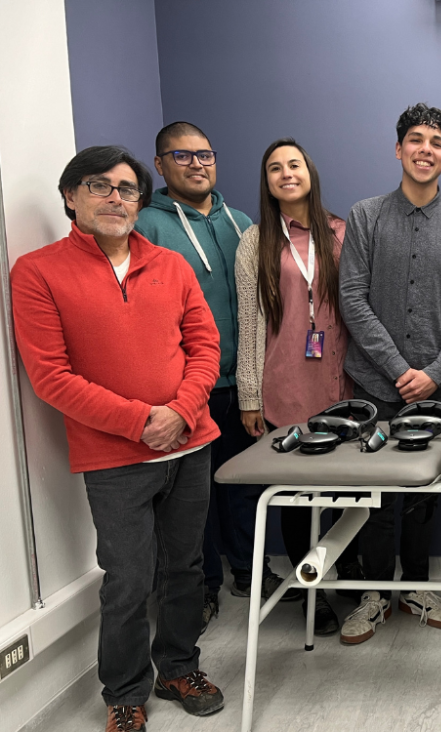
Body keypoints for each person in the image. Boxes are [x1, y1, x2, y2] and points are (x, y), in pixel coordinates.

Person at [11, 146, 225, 732]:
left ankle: (179, 668)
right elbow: (51, 377)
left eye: (128, 189)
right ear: (70, 197)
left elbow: (205, 348)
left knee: (184, 568)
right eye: (100, 186)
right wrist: (140, 422)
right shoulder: (37, 272)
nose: (116, 198)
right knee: (128, 577)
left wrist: (180, 411)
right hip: (114, 456)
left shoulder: (171, 265)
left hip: (189, 443)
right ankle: (124, 692)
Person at [339, 103, 441, 645]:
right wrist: (401, 370)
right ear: (398, 149)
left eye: (438, 144)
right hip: (375, 386)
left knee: (426, 495)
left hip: (439, 390)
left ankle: (418, 588)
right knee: (378, 497)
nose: (427, 150)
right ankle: (375, 594)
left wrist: (435, 372)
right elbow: (352, 299)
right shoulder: (365, 216)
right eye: (417, 140)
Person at [135, 121, 285, 635]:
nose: (197, 164)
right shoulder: (146, 227)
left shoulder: (243, 222)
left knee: (247, 486)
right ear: (160, 165)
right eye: (183, 155)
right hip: (185, 390)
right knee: (190, 500)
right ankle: (201, 589)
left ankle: (252, 571)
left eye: (205, 155)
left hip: (244, 383)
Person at [235, 138, 361, 638]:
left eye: (294, 164)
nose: (286, 173)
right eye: (274, 168)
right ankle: (313, 592)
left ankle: (349, 579)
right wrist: (249, 395)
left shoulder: (343, 233)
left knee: (346, 492)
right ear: (267, 182)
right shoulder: (255, 240)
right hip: (283, 384)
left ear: (310, 172)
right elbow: (250, 321)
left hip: (341, 382)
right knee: (295, 497)